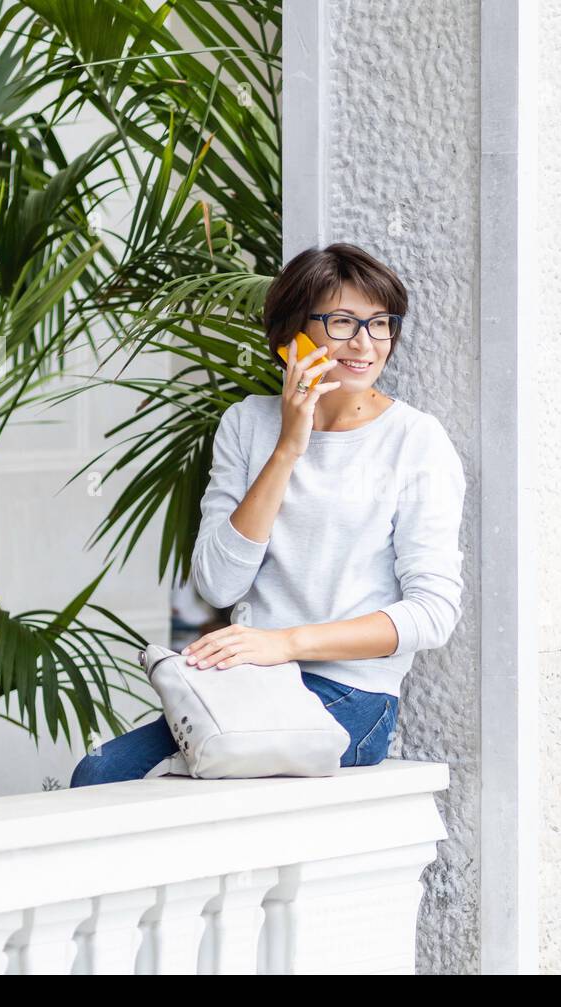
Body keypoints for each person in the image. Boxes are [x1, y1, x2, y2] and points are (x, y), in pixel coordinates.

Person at [71, 243, 467, 786]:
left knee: (124, 780)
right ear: (290, 337)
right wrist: (287, 448)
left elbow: (433, 613)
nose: (365, 343)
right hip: (251, 680)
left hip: (352, 696)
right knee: (98, 773)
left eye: (380, 324)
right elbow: (218, 583)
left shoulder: (415, 440)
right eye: (343, 321)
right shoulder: (246, 424)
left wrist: (284, 643)